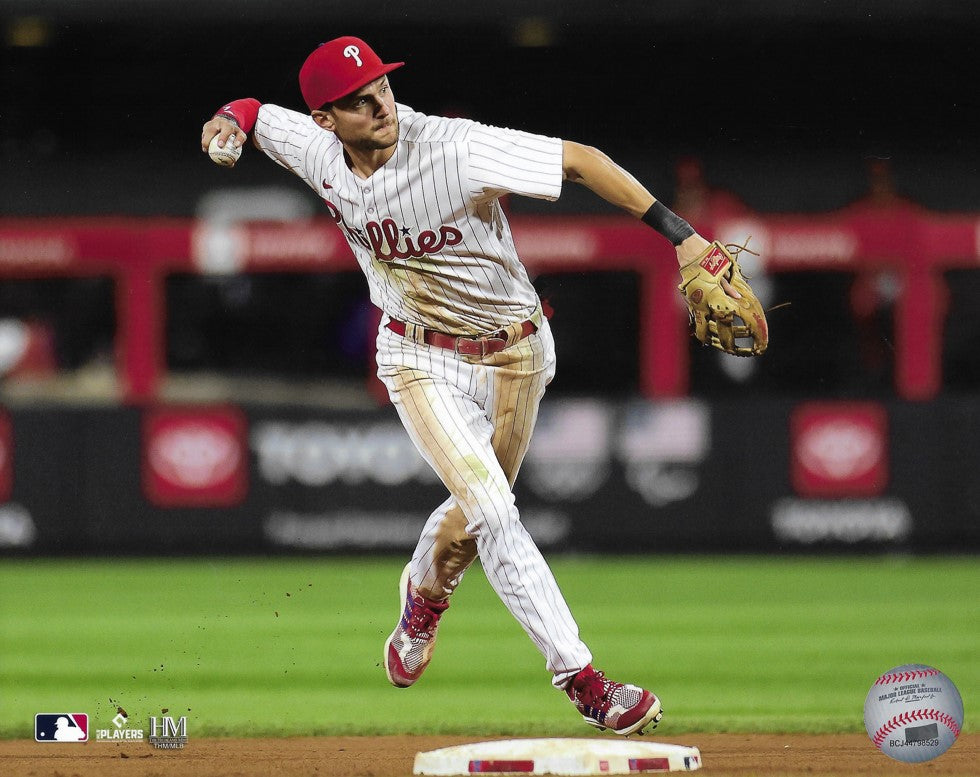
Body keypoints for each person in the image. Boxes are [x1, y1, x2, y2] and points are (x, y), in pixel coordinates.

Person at [200, 36, 743, 736]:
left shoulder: (454, 147)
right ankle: (585, 680)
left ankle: (423, 596)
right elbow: (251, 110)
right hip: (417, 357)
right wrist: (225, 119)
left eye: (384, 87)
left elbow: (578, 160)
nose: (380, 103)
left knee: (472, 520)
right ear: (327, 120)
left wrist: (683, 236)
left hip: (517, 355)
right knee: (492, 506)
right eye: (358, 100)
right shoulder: (313, 148)